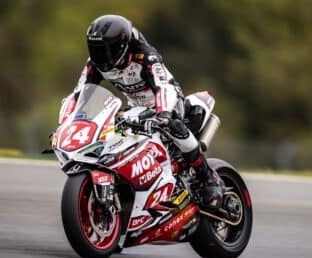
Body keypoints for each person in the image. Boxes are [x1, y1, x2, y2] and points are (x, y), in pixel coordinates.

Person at [63, 14, 223, 209]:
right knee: (112, 134)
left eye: (107, 49)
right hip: (136, 108)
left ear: (122, 45)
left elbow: (164, 86)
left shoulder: (145, 55)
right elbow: (80, 93)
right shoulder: (95, 63)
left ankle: (208, 179)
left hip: (167, 101)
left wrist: (163, 113)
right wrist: (70, 120)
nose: (101, 56)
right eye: (96, 50)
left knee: (174, 126)